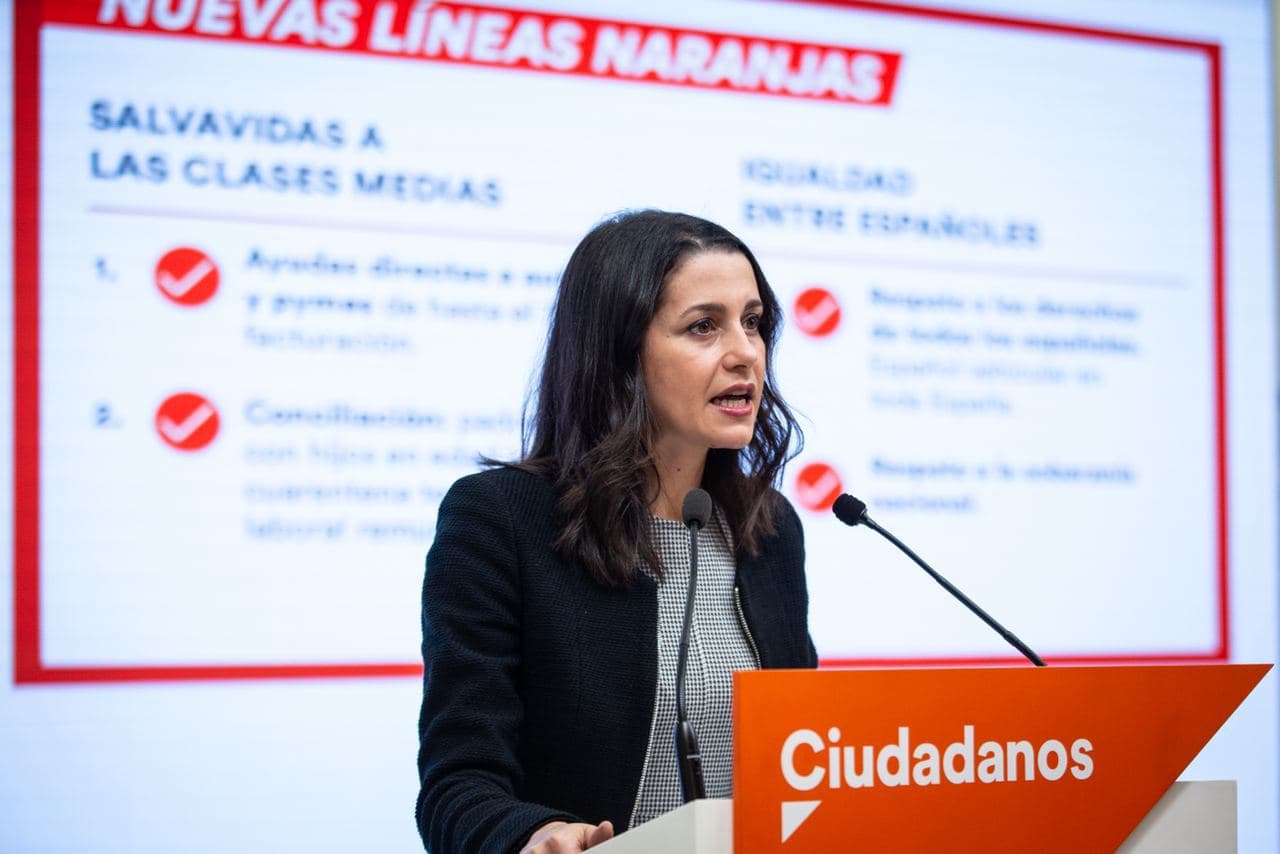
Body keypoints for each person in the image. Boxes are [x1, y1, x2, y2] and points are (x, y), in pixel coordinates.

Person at [416, 210, 817, 854]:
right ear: (621, 351)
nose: (744, 353)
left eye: (753, 322)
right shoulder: (501, 520)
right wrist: (531, 834)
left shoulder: (768, 529)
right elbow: (458, 783)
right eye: (703, 327)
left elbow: (807, 759)